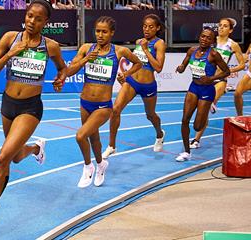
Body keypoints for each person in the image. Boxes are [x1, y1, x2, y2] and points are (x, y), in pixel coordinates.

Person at [0, 0, 67, 237]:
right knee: (14, 158)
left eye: (39, 18)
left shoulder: (50, 46)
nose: (32, 21)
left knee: (2, 159)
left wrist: (61, 78)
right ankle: (35, 149)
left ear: (46, 22)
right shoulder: (10, 38)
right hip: (7, 104)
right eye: (30, 16)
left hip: (30, 108)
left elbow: (63, 68)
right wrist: (10, 54)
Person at [67, 16, 142, 188]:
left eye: (104, 32)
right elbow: (69, 71)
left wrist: (126, 74)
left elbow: (138, 63)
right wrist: (86, 59)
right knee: (94, 138)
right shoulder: (86, 48)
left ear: (112, 33)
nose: (100, 35)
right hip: (85, 103)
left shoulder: (119, 51)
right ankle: (101, 164)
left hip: (103, 106)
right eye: (97, 31)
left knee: (80, 136)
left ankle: (88, 166)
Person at [102, 14, 166, 159]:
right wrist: (125, 74)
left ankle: (160, 134)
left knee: (150, 115)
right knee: (115, 109)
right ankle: (112, 146)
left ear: (157, 28)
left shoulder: (159, 43)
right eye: (144, 26)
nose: (147, 29)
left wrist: (146, 50)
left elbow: (158, 67)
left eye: (150, 27)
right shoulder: (139, 41)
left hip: (148, 86)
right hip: (132, 82)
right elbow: (136, 64)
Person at [175, 28, 230, 161]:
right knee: (184, 120)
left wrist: (211, 79)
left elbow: (226, 71)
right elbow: (183, 65)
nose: (204, 39)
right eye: (203, 36)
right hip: (193, 88)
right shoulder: (192, 50)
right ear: (199, 37)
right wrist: (180, 68)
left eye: (208, 38)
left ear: (212, 41)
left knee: (197, 126)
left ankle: (208, 107)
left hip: (207, 90)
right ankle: (186, 152)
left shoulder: (214, 55)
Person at [189, 18, 245, 149]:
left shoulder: (233, 45)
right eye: (220, 25)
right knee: (203, 112)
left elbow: (242, 64)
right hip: (207, 80)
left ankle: (214, 101)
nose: (221, 28)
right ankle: (197, 139)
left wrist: (229, 70)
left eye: (225, 26)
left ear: (230, 30)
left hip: (220, 80)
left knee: (208, 105)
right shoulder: (210, 40)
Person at [234, 43, 251, 116]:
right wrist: (245, 57)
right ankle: (240, 117)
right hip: (250, 74)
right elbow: (247, 55)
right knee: (237, 93)